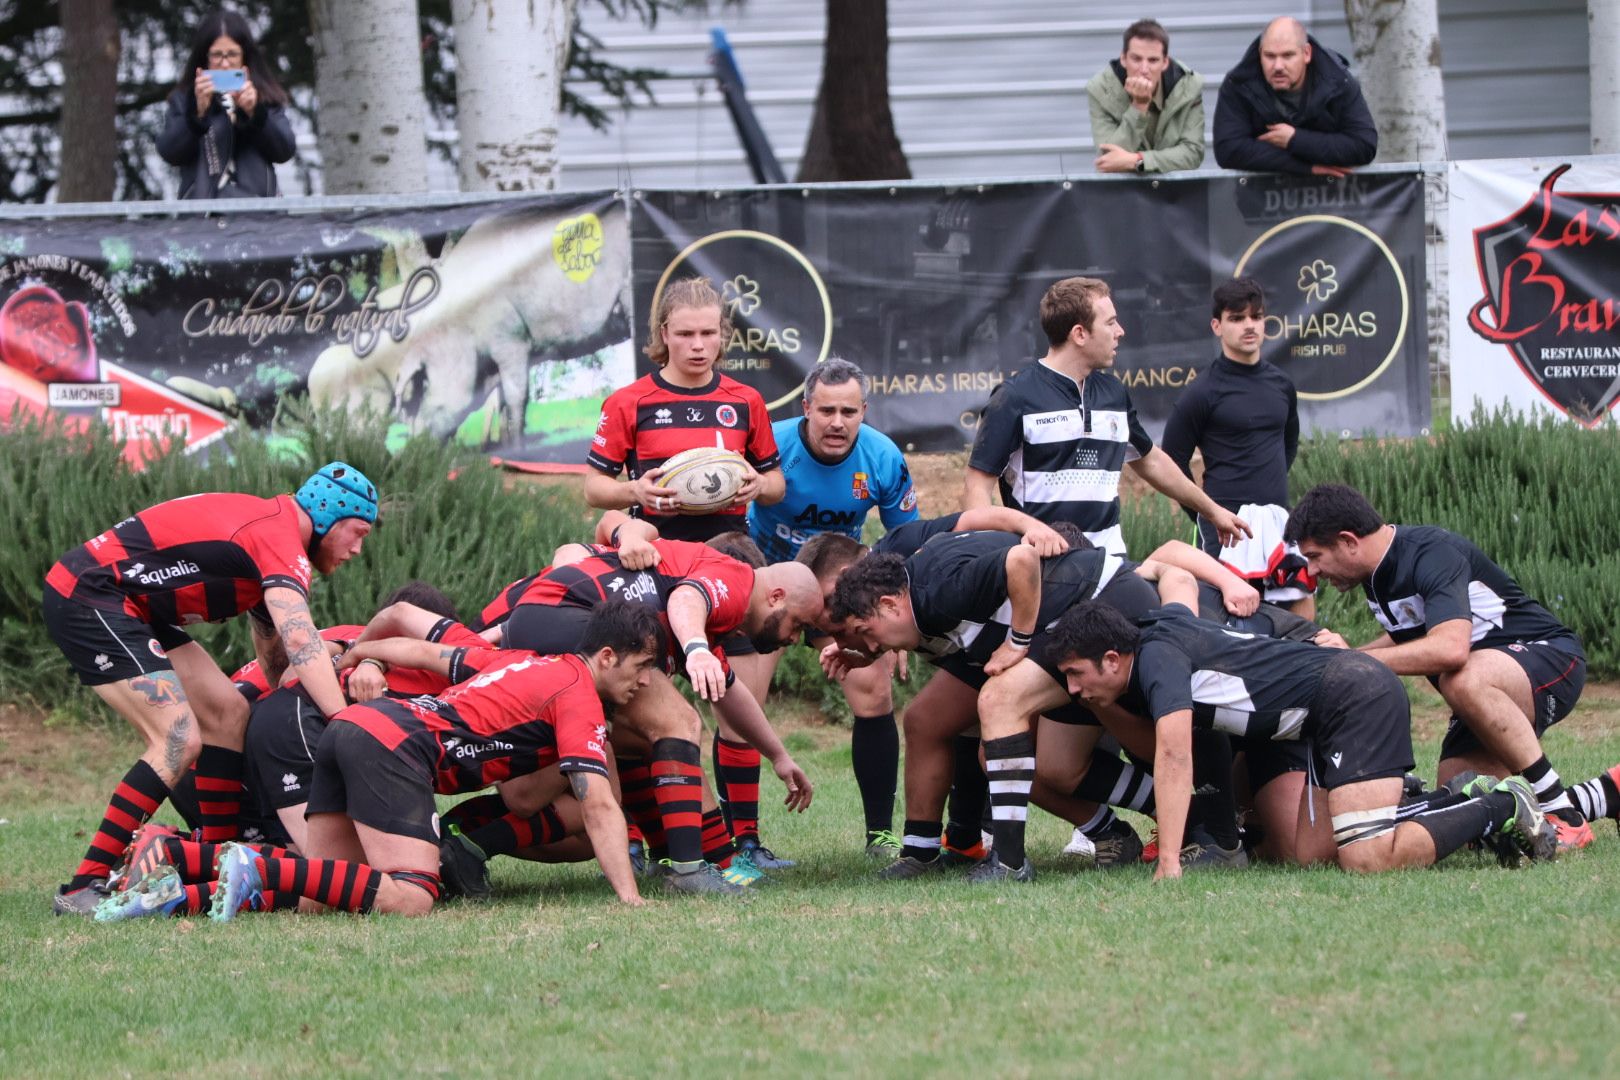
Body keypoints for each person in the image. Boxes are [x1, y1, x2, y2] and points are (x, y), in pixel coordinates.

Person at [169, 602, 662, 920]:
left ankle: (176, 863)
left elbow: (419, 651)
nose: (645, 683)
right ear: (605, 656)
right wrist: (629, 898)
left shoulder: (521, 661)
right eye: (641, 667)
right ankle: (253, 868)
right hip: (394, 742)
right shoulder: (578, 695)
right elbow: (597, 805)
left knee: (323, 898)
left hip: (352, 728)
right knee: (412, 897)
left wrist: (359, 656)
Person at [43, 462, 377, 915]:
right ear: (326, 517)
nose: (358, 549)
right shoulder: (280, 537)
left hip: (127, 604)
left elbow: (277, 652)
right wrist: (345, 723)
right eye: (357, 532)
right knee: (178, 738)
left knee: (228, 712)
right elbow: (301, 637)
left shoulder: (275, 535)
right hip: (91, 594)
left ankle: (216, 859)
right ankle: (83, 885)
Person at [1048, 601, 1557, 877]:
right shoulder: (1155, 632)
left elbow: (1175, 755)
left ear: (1112, 659)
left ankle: (1502, 805)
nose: (1072, 690)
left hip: (1355, 696)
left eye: (1075, 675)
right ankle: (1452, 799)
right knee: (1310, 856)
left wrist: (1171, 862)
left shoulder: (1156, 660)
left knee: (1367, 860)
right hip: (1320, 718)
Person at [825, 531, 1198, 882]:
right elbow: (971, 525)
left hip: (1096, 603)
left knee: (1000, 702)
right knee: (929, 721)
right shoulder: (909, 593)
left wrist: (1019, 640)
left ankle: (1009, 861)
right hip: (1052, 620)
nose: (869, 646)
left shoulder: (938, 591)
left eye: (865, 632)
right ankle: (921, 850)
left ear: (889, 605)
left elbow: (1021, 558)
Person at [494, 539, 820, 894]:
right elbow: (686, 597)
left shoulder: (716, 618)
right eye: (797, 624)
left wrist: (779, 756)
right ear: (776, 597)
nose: (793, 638)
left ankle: (462, 843)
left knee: (549, 785)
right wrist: (695, 651)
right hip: (563, 615)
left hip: (542, 618)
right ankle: (687, 872)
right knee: (679, 722)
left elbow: (729, 691)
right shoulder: (738, 581)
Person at [1284, 483, 1599, 851]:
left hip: (1551, 658)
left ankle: (1563, 812)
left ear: (1349, 541)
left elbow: (1450, 649)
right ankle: (1605, 793)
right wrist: (1347, 656)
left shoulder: (1430, 552)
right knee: (1463, 807)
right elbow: (1411, 634)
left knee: (1461, 678)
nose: (1313, 571)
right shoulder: (1374, 575)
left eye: (1316, 556)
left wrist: (1351, 660)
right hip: (1484, 688)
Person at [717, 357, 920, 857]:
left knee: (874, 693)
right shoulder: (769, 442)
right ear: (805, 408)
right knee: (740, 704)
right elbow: (731, 527)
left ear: (864, 411)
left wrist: (897, 626)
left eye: (849, 411)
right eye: (826, 409)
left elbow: (904, 544)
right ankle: (742, 844)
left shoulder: (883, 457)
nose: (837, 422)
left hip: (837, 594)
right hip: (772, 589)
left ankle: (880, 836)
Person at [965, 276, 1250, 558]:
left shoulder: (1113, 393)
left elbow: (1151, 461)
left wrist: (1213, 512)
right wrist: (997, 559)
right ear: (1079, 334)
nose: (1121, 331)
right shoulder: (1014, 397)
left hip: (1109, 564)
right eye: (1111, 322)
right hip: (1043, 570)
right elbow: (977, 486)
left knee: (1179, 583)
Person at [585, 276, 784, 542]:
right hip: (654, 548)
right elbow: (593, 489)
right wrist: (634, 492)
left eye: (708, 333)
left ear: (722, 334)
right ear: (665, 333)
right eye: (685, 334)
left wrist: (761, 485)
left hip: (729, 551)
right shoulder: (628, 401)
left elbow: (777, 486)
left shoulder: (746, 400)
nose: (698, 345)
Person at [1163, 278, 1315, 619]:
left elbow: (1287, 446)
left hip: (1278, 522)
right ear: (1217, 325)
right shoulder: (1202, 391)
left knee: (1299, 615)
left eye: (1256, 317)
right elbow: (1171, 461)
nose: (1249, 325)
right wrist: (1205, 513)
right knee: (1227, 621)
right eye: (1237, 318)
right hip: (1225, 529)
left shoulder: (1281, 384)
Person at [1212, 17, 1377, 177]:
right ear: (1260, 53)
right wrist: (1306, 167)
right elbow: (1228, 150)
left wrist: (1294, 139)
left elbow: (1364, 146)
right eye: (1270, 56)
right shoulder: (1239, 83)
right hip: (1259, 200)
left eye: (1287, 55)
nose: (1278, 66)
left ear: (1306, 53)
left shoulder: (1338, 81)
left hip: (1330, 197)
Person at [157, 9, 295, 198]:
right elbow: (170, 153)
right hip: (202, 217)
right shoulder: (184, 99)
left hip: (260, 218)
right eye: (217, 55)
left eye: (232, 54)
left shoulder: (265, 97)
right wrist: (197, 114)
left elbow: (284, 151)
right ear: (204, 58)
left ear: (244, 57)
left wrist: (254, 112)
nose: (224, 64)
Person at [1087, 18, 1206, 174]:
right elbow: (1109, 160)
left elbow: (1192, 153)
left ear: (1165, 63)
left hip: (1174, 193)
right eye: (1136, 59)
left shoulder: (1188, 86)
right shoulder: (1101, 89)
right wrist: (1138, 106)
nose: (1144, 69)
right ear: (1123, 59)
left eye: (1153, 60)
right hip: (1123, 191)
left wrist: (1138, 161)